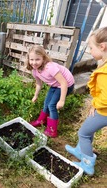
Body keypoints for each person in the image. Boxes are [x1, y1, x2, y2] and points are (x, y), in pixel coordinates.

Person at [65, 27, 107, 176]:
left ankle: (88, 164)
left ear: (102, 47)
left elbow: (106, 98)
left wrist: (95, 105)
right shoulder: (104, 64)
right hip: (102, 109)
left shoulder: (105, 72)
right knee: (88, 129)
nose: (89, 51)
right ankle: (79, 150)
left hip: (103, 111)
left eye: (91, 47)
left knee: (83, 133)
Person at [26, 45, 75, 137]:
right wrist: (35, 95)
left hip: (66, 84)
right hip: (55, 85)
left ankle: (52, 130)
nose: (34, 62)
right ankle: (41, 121)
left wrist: (61, 100)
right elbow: (39, 84)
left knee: (51, 105)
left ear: (43, 58)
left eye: (37, 59)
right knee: (46, 103)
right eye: (31, 59)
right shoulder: (35, 71)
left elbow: (63, 83)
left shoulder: (50, 68)